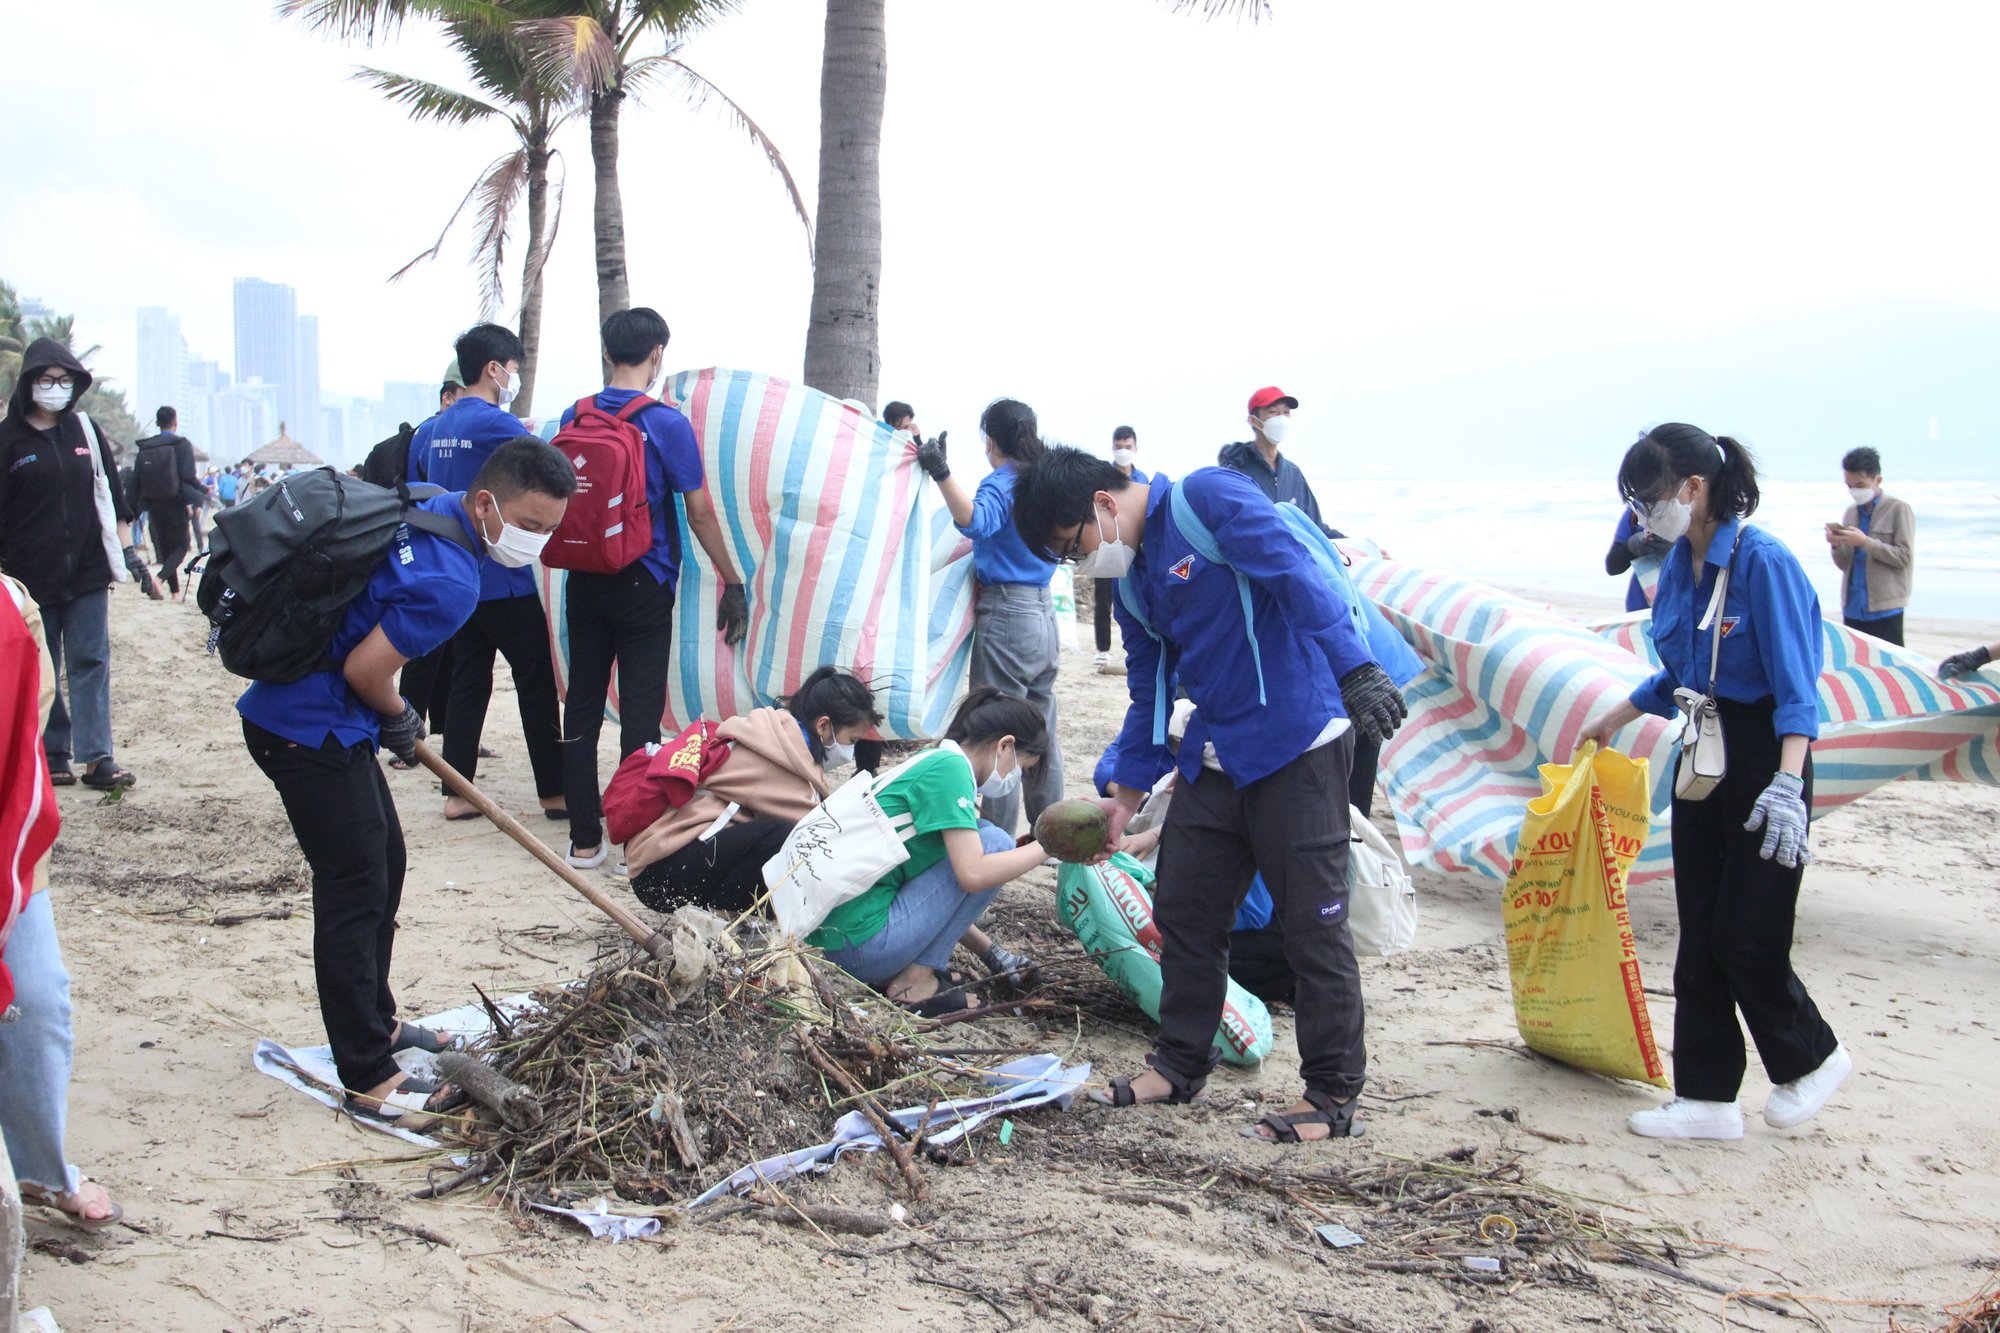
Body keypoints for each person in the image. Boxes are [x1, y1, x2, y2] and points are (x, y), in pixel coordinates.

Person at [1011, 446, 1407, 1142]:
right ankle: (1179, 1063)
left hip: (1298, 741)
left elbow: (1295, 572)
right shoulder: (1134, 582)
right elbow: (1149, 690)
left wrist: (1357, 667)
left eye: (1073, 546)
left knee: (1312, 926)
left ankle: (1332, 1096)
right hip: (1215, 756)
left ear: (1103, 503)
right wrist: (1124, 799)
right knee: (1185, 908)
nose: (1079, 564)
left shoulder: (1207, 500)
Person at [240, 438, 576, 1123]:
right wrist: (400, 716)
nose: (537, 543)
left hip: (321, 720)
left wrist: (386, 717)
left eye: (549, 531)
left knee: (385, 860)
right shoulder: (453, 581)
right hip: (304, 729)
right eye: (531, 526)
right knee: (355, 885)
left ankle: (380, 1020)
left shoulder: (431, 505)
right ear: (487, 504)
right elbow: (367, 673)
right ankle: (367, 1071)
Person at [1582, 423, 1849, 1142]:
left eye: (1650, 500)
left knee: (1747, 928)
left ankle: (1811, 1058)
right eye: (1634, 504)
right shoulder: (1679, 564)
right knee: (1698, 923)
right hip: (1704, 744)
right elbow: (1682, 669)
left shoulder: (1764, 563)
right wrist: (1615, 713)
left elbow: (1798, 688)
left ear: (1695, 489)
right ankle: (1705, 1096)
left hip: (1769, 751)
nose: (1643, 517)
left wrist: (1789, 784)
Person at [555, 307, 749, 870]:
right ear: (658, 355)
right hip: (642, 580)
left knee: (583, 705)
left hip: (583, 578)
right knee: (640, 714)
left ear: (608, 353)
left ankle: (584, 840)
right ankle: (629, 837)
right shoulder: (666, 423)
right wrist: (732, 579)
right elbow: (699, 512)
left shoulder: (576, 414)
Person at [808, 688, 1052, 1015]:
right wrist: (1048, 847)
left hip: (845, 939)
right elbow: (973, 874)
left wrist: (991, 953)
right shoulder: (951, 773)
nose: (1014, 778)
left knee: (983, 838)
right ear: (1005, 745)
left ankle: (908, 970)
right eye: (1021, 766)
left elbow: (938, 896)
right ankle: (915, 983)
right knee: (995, 844)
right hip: (864, 947)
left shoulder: (937, 760)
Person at [0, 573, 121, 1228]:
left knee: (37, 998)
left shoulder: (13, 610)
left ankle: (41, 1168)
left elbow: (20, 752)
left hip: (7, 842)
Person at [409, 324, 566, 822]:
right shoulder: (496, 422)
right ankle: (554, 792)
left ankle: (457, 793)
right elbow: (550, 460)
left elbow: (419, 489)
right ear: (494, 369)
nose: (514, 378)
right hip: (503, 576)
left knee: (467, 680)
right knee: (535, 680)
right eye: (513, 369)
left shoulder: (434, 428)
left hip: (454, 574)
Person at [1216, 387, 1392, 819]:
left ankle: (1353, 819)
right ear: (1253, 419)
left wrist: (1361, 545)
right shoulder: (1234, 469)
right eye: (1271, 411)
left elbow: (1315, 529)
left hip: (1305, 593)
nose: (1279, 418)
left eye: (1284, 412)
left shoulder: (1292, 473)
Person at [912, 399, 1066, 835]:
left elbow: (975, 521)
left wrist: (941, 473)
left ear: (990, 440)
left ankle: (995, 834)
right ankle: (1054, 830)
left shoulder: (1002, 482)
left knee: (999, 727)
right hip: (1043, 612)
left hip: (1006, 615)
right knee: (1041, 725)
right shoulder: (1048, 477)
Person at [0, 338, 147, 790]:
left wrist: (130, 556)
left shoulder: (86, 431)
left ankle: (96, 757)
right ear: (28, 383)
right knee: (43, 666)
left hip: (87, 570)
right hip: (28, 577)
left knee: (91, 661)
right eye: (46, 380)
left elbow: (113, 500)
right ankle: (50, 751)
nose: (55, 388)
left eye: (64, 380)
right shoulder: (7, 440)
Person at [377, 361, 471, 767]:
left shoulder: (454, 436)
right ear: (448, 397)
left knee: (453, 654)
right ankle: (408, 738)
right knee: (423, 652)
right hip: (424, 551)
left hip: (451, 550)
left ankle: (448, 734)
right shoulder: (428, 437)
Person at [1826, 446, 1913, 647]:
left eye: (1860, 485)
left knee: (1889, 669)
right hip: (1853, 606)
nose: (1854, 491)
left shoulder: (1898, 509)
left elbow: (1904, 557)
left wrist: (1865, 542)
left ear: (1877, 480)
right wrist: (1836, 545)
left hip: (1885, 608)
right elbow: (1844, 564)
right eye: (1849, 485)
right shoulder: (1850, 513)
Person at [126, 406, 205, 598]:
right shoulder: (182, 444)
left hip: (153, 504)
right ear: (175, 422)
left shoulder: (146, 447)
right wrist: (200, 494)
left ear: (157, 423)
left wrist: (132, 511)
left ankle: (175, 593)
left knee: (168, 548)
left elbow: (135, 480)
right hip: (176, 502)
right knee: (181, 547)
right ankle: (159, 579)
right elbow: (188, 476)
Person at [1093, 426, 1150, 674]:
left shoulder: (1142, 480)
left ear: (1135, 448)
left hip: (1135, 546)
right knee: (1103, 599)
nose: (1123, 451)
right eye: (1119, 446)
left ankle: (1139, 648)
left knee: (1138, 597)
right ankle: (1102, 650)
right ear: (1113, 447)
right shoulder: (1103, 476)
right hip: (1107, 544)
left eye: (1128, 446)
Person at [1605, 508, 1671, 611]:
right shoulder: (1636, 511)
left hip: (1679, 609)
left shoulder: (1695, 513)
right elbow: (1612, 566)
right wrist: (1633, 545)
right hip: (1640, 608)